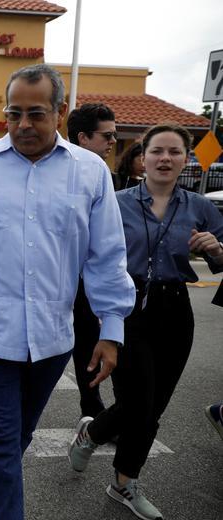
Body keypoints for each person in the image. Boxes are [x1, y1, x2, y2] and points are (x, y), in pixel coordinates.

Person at [0, 64, 135, 520]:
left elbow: (107, 257)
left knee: (18, 436)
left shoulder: (90, 173)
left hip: (51, 338)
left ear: (60, 112)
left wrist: (111, 329)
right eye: (14, 114)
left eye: (36, 114)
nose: (23, 125)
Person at [68, 123, 223, 520]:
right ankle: (118, 469)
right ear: (144, 156)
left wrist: (216, 250)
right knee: (139, 401)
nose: (165, 158)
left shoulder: (200, 207)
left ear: (186, 159)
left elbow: (222, 259)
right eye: (157, 151)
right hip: (125, 306)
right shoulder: (115, 203)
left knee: (153, 407)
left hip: (176, 309)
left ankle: (109, 458)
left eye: (175, 152)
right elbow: (89, 254)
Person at [66, 102, 118, 420]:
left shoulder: (104, 175)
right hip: (51, 279)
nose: (113, 141)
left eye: (114, 135)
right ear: (83, 137)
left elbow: (109, 242)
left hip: (87, 282)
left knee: (87, 343)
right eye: (106, 135)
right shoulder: (51, 174)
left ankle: (91, 404)